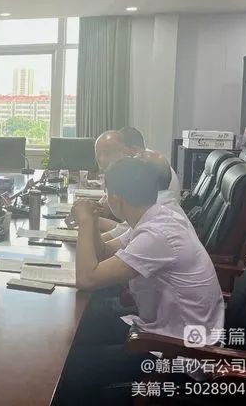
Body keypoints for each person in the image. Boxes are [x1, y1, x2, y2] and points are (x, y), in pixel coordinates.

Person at [58, 157, 224, 402]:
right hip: (165, 333)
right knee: (81, 331)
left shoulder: (158, 234)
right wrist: (91, 221)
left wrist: (83, 222)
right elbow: (104, 252)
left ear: (115, 198)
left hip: (179, 356)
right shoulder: (156, 217)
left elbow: (87, 279)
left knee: (71, 368)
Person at [119, 126, 181, 200]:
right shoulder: (149, 159)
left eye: (121, 151)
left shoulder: (145, 166)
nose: (120, 156)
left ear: (133, 149)